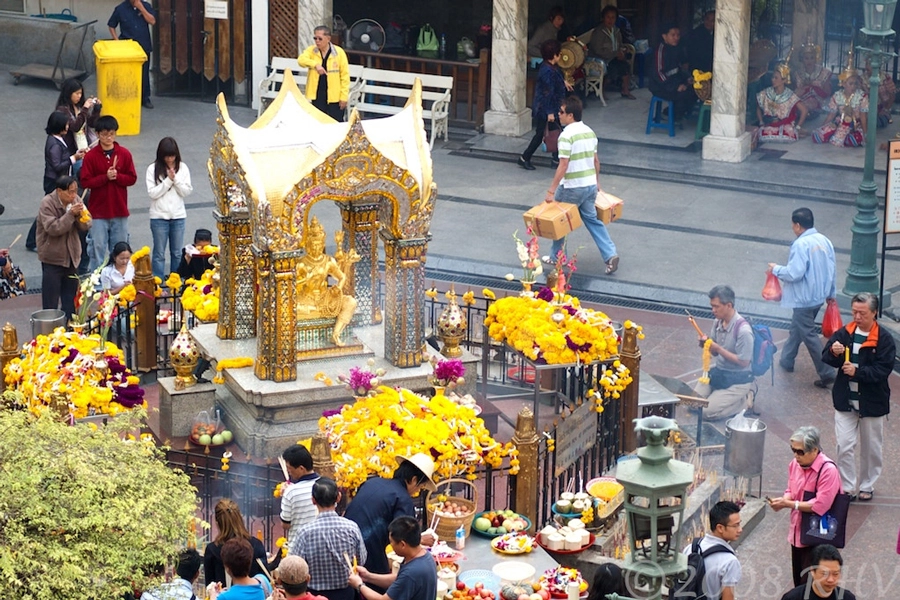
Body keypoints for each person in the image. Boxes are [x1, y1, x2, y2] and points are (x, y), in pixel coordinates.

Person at [822, 292, 894, 504]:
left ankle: (867, 485)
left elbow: (882, 370)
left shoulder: (884, 339)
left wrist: (858, 372)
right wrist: (834, 352)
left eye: (862, 313)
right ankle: (847, 486)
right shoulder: (845, 333)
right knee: (844, 445)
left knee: (871, 448)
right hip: (845, 400)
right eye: (854, 312)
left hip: (872, 403)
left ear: (874, 313)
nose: (857, 317)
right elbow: (826, 355)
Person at [542, 96, 619, 276]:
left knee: (559, 221)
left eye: (561, 112)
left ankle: (558, 257)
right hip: (589, 185)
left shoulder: (566, 135)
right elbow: (596, 160)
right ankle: (610, 255)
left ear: (570, 115)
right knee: (592, 220)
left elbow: (563, 165)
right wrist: (597, 183)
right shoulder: (589, 132)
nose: (559, 115)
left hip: (571, 187)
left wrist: (551, 190)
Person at [767, 208, 836, 388]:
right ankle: (786, 359)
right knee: (797, 328)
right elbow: (832, 268)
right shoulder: (824, 240)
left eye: (793, 224)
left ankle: (827, 372)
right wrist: (831, 293)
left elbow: (794, 273)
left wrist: (775, 269)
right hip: (818, 296)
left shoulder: (800, 244)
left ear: (797, 225)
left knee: (808, 334)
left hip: (803, 298)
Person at [344, 453, 437, 587]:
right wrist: (420, 539)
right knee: (379, 586)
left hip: (345, 542)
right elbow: (402, 538)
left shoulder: (373, 482)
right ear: (414, 480)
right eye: (420, 487)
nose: (416, 491)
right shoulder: (403, 500)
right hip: (369, 549)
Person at [767, 426, 841, 588]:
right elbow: (790, 490)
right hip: (798, 534)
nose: (796, 455)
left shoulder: (828, 470)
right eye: (793, 450)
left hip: (818, 536)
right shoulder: (794, 464)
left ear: (814, 450)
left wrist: (789, 504)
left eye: (800, 452)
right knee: (799, 583)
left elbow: (821, 505)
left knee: (812, 585)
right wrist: (783, 500)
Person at [291, 477, 366, 600]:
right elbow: (361, 560)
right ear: (338, 497)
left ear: (313, 500)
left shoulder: (305, 533)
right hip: (346, 593)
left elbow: (296, 567)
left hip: (314, 594)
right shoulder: (352, 528)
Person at [80, 115, 137, 271]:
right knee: (96, 249)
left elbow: (132, 178)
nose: (108, 137)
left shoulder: (124, 154)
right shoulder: (91, 156)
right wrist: (105, 178)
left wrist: (118, 177)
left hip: (119, 210)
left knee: (120, 249)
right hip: (98, 212)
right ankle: (97, 284)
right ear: (97, 134)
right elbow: (85, 182)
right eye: (104, 134)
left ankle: (119, 281)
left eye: (111, 133)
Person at [693, 285, 758, 420]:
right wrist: (705, 345)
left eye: (716, 306)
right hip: (720, 373)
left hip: (738, 379)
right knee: (692, 403)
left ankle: (745, 401)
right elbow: (715, 354)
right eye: (712, 306)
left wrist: (718, 349)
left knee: (706, 413)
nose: (713, 310)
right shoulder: (717, 322)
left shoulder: (743, 330)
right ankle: (719, 396)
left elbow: (744, 361)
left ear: (729, 305)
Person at [294, 217, 359, 346]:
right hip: (306, 300)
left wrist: (338, 288)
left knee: (351, 302)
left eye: (319, 244)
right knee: (289, 309)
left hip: (325, 299)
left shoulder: (328, 261)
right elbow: (290, 286)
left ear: (323, 243)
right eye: (313, 245)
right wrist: (306, 279)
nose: (316, 248)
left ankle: (335, 334)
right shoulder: (301, 263)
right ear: (307, 245)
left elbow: (342, 277)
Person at [28, 111, 86, 252]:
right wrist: (74, 158)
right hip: (54, 181)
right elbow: (57, 165)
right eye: (66, 124)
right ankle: (32, 240)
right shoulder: (54, 144)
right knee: (47, 209)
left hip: (57, 180)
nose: (68, 126)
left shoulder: (57, 139)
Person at [36, 175, 91, 320]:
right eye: (70, 192)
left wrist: (81, 216)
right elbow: (53, 228)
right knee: (50, 301)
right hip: (52, 258)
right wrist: (70, 215)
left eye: (75, 191)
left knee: (70, 300)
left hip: (72, 256)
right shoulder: (47, 203)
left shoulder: (76, 200)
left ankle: (69, 329)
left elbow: (87, 225)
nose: (74, 195)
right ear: (60, 191)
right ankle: (49, 332)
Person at [349, 516, 437, 600]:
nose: (390, 545)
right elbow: (399, 580)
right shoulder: (426, 556)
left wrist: (359, 585)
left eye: (391, 542)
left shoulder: (411, 573)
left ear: (402, 544)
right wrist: (368, 576)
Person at [519, 39, 570, 171]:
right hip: (546, 108)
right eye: (558, 54)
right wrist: (550, 112)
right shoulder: (547, 71)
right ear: (554, 56)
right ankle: (525, 157)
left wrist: (563, 82)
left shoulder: (550, 67)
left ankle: (555, 158)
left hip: (553, 106)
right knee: (542, 133)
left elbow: (556, 80)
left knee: (556, 131)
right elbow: (547, 93)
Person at [147, 137, 193, 279]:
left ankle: (175, 281)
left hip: (178, 216)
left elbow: (186, 191)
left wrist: (175, 180)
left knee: (177, 253)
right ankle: (159, 282)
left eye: (172, 156)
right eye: (167, 156)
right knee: (159, 253)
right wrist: (168, 181)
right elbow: (152, 193)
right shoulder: (152, 169)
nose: (170, 159)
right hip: (159, 217)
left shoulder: (183, 168)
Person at [683, 501, 742, 600]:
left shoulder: (690, 549)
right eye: (735, 526)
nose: (740, 529)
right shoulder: (729, 561)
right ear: (720, 528)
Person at [204, 498, 269, 587]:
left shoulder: (212, 550)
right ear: (239, 518)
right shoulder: (256, 545)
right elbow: (265, 580)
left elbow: (210, 586)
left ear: (217, 523)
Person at [108, 0, 157, 109]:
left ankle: (144, 98)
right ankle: (127, 96)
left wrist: (141, 8)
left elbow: (152, 21)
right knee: (127, 73)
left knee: (144, 73)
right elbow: (111, 25)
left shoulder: (146, 6)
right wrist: (117, 41)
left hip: (143, 45)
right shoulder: (120, 9)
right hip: (127, 47)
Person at [297, 26, 350, 121]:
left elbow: (345, 77)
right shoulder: (312, 51)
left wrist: (344, 97)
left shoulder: (339, 53)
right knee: (318, 121)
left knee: (335, 122)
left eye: (320, 38)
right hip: (317, 94)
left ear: (328, 38)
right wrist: (315, 64)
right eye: (315, 38)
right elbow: (301, 60)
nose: (317, 41)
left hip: (334, 96)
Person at [648, 24, 695, 122]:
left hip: (673, 81)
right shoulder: (660, 50)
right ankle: (668, 114)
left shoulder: (676, 48)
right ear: (664, 36)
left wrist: (687, 78)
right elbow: (658, 74)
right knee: (684, 94)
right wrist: (675, 86)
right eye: (673, 35)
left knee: (695, 90)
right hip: (660, 86)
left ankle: (676, 113)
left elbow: (678, 69)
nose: (676, 38)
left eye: (678, 35)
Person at [55, 78, 101, 174]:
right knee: (78, 177)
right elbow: (75, 127)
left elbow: (91, 123)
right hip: (72, 151)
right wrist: (85, 109)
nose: (79, 96)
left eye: (80, 93)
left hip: (85, 147)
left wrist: (96, 110)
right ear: (69, 93)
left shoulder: (78, 107)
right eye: (76, 94)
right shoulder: (62, 110)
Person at [588, 6, 635, 100]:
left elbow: (620, 44)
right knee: (612, 69)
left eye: (613, 17)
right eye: (608, 17)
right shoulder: (599, 32)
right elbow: (597, 50)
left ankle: (625, 90)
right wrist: (615, 54)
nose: (610, 20)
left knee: (625, 66)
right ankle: (601, 91)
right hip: (600, 59)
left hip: (613, 58)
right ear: (603, 18)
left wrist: (622, 50)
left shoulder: (616, 31)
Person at [780, 544, 857, 600]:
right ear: (812, 571)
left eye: (835, 574)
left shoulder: (847, 598)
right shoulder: (793, 597)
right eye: (824, 574)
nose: (831, 579)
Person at [280, 444, 320, 550]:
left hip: (298, 547)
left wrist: (285, 496)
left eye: (289, 468)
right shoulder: (326, 485)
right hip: (320, 545)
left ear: (301, 468)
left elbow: (285, 525)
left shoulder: (291, 492)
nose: (288, 471)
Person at [756, 63, 808, 143]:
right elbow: (758, 108)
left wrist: (797, 127)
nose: (773, 80)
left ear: (784, 80)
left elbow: (804, 110)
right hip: (769, 125)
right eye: (772, 77)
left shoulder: (790, 95)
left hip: (784, 125)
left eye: (776, 78)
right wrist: (761, 122)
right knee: (764, 133)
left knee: (787, 133)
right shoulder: (766, 93)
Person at [812, 74, 868, 147]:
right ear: (843, 84)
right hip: (840, 123)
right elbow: (831, 115)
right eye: (850, 84)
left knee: (853, 140)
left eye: (855, 83)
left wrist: (865, 134)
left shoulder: (861, 96)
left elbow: (863, 117)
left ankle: (844, 138)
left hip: (855, 125)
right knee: (817, 137)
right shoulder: (837, 96)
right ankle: (838, 137)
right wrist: (822, 127)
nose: (853, 86)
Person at [793, 43, 833, 115]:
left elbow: (828, 93)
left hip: (821, 102)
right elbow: (797, 93)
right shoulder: (798, 74)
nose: (809, 61)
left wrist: (814, 87)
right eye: (806, 58)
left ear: (816, 58)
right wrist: (805, 87)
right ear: (802, 59)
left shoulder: (824, 72)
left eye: (812, 58)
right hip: (803, 101)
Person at [861, 59, 896, 128]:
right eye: (866, 64)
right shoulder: (861, 79)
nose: (866, 67)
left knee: (878, 122)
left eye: (869, 64)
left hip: (881, 111)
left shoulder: (885, 78)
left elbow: (888, 103)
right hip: (866, 110)